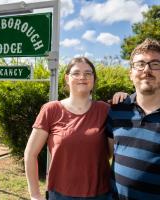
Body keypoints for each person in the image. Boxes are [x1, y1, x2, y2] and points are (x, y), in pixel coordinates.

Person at [24, 57, 127, 200]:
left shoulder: (105, 110)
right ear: (67, 78)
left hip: (101, 194)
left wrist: (125, 100)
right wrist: (35, 195)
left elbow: (111, 153)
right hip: (60, 194)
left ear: (94, 79)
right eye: (76, 73)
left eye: (88, 73)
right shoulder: (51, 110)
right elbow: (30, 154)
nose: (82, 77)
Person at [106, 38, 160, 200]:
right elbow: (107, 155)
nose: (147, 70)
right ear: (130, 73)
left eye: (155, 64)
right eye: (140, 64)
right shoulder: (116, 111)